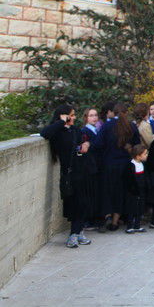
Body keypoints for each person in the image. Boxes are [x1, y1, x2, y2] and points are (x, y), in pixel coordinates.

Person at [40, 105, 96, 248]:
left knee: (83, 202)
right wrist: (61, 122)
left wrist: (86, 144)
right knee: (74, 203)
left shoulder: (75, 130)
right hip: (70, 173)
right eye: (71, 115)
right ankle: (74, 233)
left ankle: (78, 232)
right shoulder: (58, 132)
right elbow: (45, 133)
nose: (74, 118)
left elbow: (85, 140)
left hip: (82, 170)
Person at [96, 103, 141, 231]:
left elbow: (98, 144)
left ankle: (107, 216)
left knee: (108, 191)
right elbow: (137, 145)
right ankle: (115, 221)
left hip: (109, 164)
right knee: (120, 193)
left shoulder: (107, 126)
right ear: (126, 113)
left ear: (113, 113)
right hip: (125, 164)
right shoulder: (131, 126)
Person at [123, 144, 149, 234]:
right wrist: (133, 190)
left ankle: (137, 225)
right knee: (132, 209)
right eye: (145, 154)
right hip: (132, 192)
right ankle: (129, 226)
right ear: (138, 156)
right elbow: (128, 180)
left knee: (140, 208)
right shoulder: (130, 165)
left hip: (141, 190)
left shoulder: (143, 164)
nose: (146, 156)